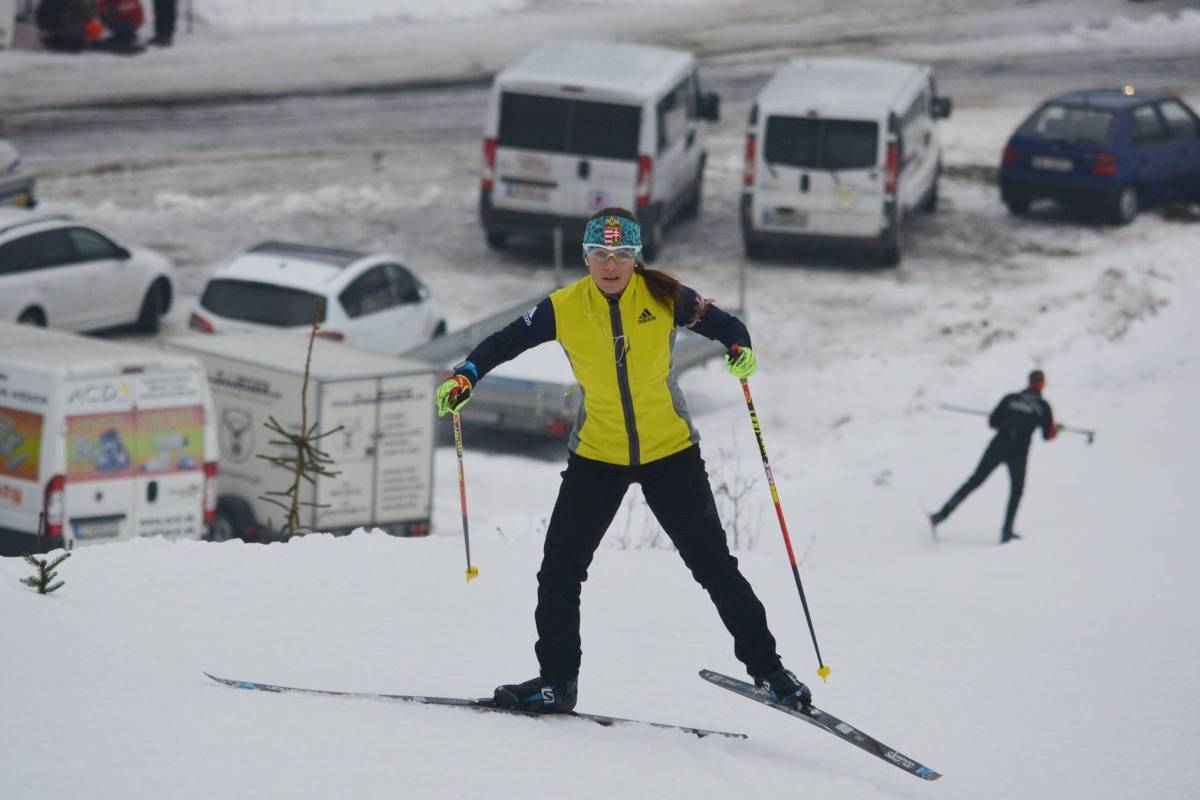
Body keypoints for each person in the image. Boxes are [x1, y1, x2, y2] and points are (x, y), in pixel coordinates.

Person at [435, 207, 811, 714]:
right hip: (597, 456)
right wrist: (467, 375)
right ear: (585, 258)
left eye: (620, 255)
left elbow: (728, 325)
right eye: (599, 254)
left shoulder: (665, 296)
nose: (610, 265)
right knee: (559, 571)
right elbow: (504, 342)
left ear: (636, 258)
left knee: (714, 568)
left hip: (670, 453)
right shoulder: (563, 307)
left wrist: (739, 348)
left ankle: (771, 672)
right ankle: (556, 683)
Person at [930, 370, 1058, 543]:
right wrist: (1057, 429)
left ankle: (940, 515)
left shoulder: (1010, 398)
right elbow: (1048, 435)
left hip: (998, 444)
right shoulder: (1043, 406)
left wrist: (1001, 417)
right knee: (1016, 490)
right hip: (1018, 452)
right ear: (1042, 383)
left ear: (1029, 381)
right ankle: (1007, 532)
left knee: (974, 481)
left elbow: (992, 422)